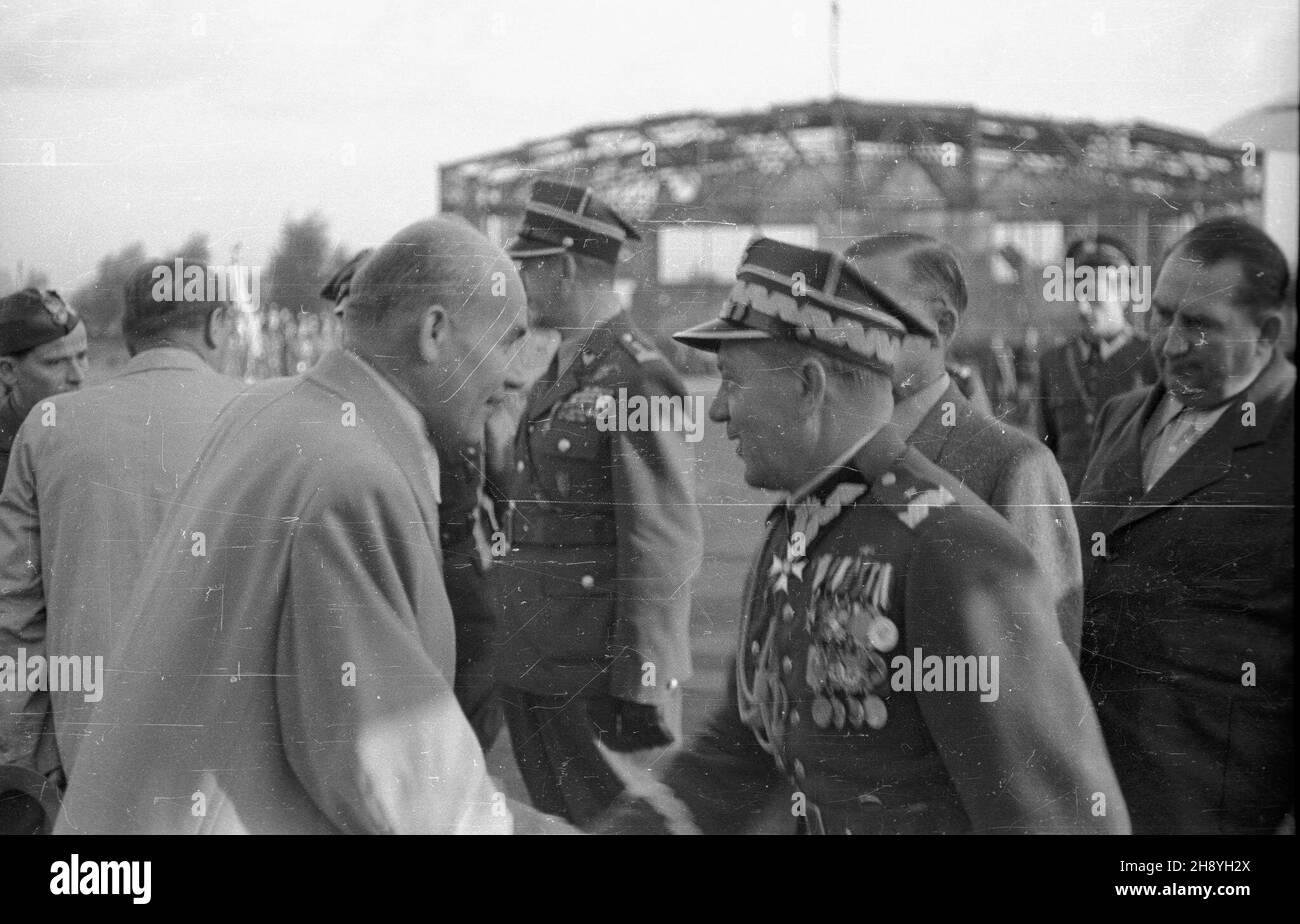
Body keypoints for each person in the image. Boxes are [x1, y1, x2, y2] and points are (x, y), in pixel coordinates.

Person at [595, 237, 1128, 835]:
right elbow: (750, 741)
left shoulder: (952, 550)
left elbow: (1058, 819)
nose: (718, 411)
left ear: (809, 386)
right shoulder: (801, 525)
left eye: (734, 381)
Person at [54, 217, 536, 834]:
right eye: (507, 343)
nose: (518, 375)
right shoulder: (354, 475)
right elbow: (407, 789)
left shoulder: (266, 409)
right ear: (435, 333)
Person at [494, 179, 703, 825]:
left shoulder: (635, 374)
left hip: (589, 673)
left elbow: (663, 541)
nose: (520, 280)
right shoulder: (556, 366)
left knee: (617, 824)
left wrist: (645, 682)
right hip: (535, 657)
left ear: (562, 266)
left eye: (528, 266)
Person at [1077, 217, 1294, 835]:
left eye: (1199, 325)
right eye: (1162, 315)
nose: (1169, 345)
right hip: (1093, 794)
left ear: (1267, 333)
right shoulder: (1121, 417)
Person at [0, 261, 244, 808]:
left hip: (93, 779)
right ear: (215, 325)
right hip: (238, 789)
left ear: (130, 330)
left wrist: (28, 775)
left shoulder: (47, 429)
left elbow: (16, 619)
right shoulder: (269, 420)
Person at [319, 252, 556, 751]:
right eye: (340, 318)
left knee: (451, 728)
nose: (343, 331)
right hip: (427, 562)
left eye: (347, 316)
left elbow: (502, 476)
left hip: (454, 564)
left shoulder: (428, 392)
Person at [844, 233, 1084, 659]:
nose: (846, 336)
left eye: (872, 314)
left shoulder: (1014, 465)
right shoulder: (837, 451)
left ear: (943, 326)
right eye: (840, 314)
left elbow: (1047, 666)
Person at [1036, 236, 1158, 496]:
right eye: (1078, 296)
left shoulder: (1151, 359)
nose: (1082, 309)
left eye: (1093, 299)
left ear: (1124, 294)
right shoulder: (1053, 362)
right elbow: (1045, 448)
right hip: (1067, 507)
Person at [0, 289, 88, 486]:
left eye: (81, 356)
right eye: (55, 363)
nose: (78, 376)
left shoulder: (99, 432)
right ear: (8, 371)